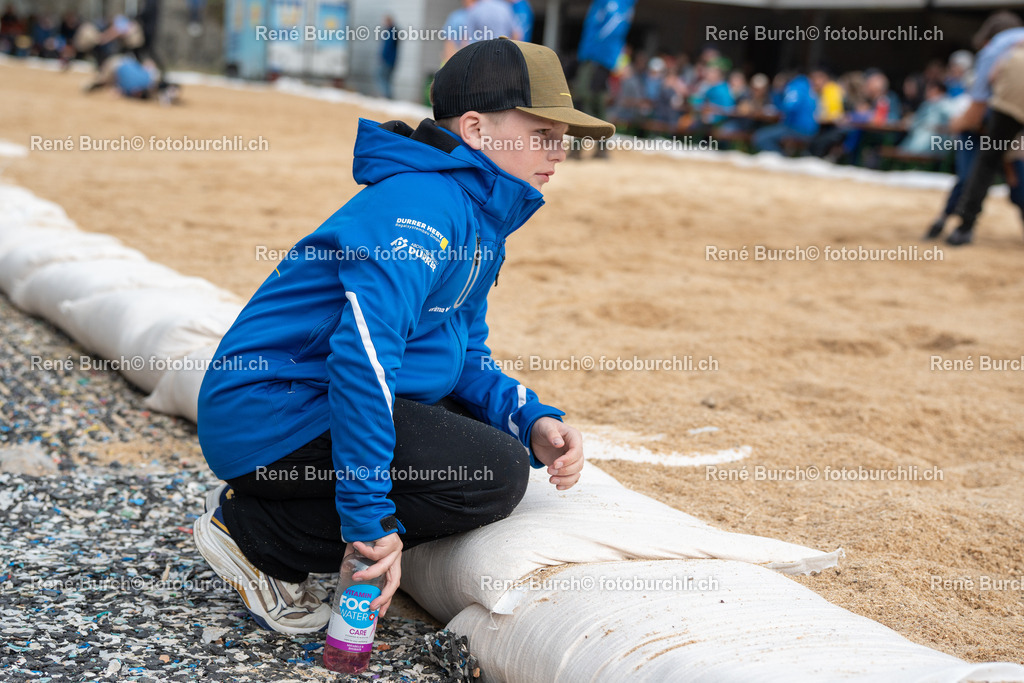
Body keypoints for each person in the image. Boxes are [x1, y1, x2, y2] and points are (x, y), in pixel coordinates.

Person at [193, 37, 607, 634]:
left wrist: (530, 418)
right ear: (475, 129)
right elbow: (363, 362)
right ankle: (257, 536)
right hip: (270, 412)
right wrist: (366, 522)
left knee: (499, 441)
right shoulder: (419, 207)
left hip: (309, 401)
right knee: (491, 474)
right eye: (543, 133)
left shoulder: (476, 211)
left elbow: (462, 354)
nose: (559, 152)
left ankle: (274, 515)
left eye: (562, 136)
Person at [928, 11, 1024, 246]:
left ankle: (964, 227)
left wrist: (955, 125)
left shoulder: (994, 50)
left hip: (1015, 86)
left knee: (987, 160)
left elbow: (975, 113)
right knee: (1016, 160)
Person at [751, 72, 818, 154]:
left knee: (760, 137)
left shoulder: (794, 88)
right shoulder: (807, 87)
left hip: (798, 129)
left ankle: (780, 158)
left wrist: (777, 93)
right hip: (810, 129)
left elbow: (788, 108)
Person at [378, 15, 398, 99]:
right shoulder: (393, 32)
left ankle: (386, 96)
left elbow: (387, 47)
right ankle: (387, 96)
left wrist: (383, 57)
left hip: (388, 60)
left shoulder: (391, 32)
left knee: (382, 77)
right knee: (386, 79)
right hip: (391, 60)